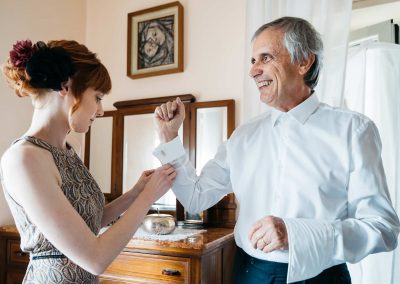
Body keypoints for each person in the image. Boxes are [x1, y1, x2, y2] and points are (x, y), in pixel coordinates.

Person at [153, 17, 400, 283]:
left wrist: (297, 234)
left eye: (265, 58)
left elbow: (382, 228)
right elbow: (195, 198)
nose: (253, 71)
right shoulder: (243, 136)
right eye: (252, 61)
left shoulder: (354, 130)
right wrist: (169, 137)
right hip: (249, 273)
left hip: (322, 277)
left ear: (304, 62)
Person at [0, 39, 176, 283]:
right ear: (65, 86)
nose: (101, 110)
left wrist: (136, 192)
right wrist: (148, 198)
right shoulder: (24, 159)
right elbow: (95, 258)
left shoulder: (68, 150)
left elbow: (88, 221)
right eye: (98, 96)